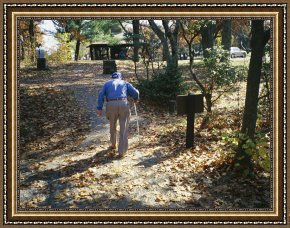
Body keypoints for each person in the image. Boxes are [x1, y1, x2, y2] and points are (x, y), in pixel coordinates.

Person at [96, 72, 139, 158]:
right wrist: (136, 99)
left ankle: (113, 144)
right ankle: (122, 152)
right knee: (123, 127)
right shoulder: (125, 83)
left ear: (112, 78)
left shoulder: (107, 83)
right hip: (123, 103)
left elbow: (101, 94)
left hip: (111, 104)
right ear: (120, 77)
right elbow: (135, 92)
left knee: (112, 125)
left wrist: (99, 108)